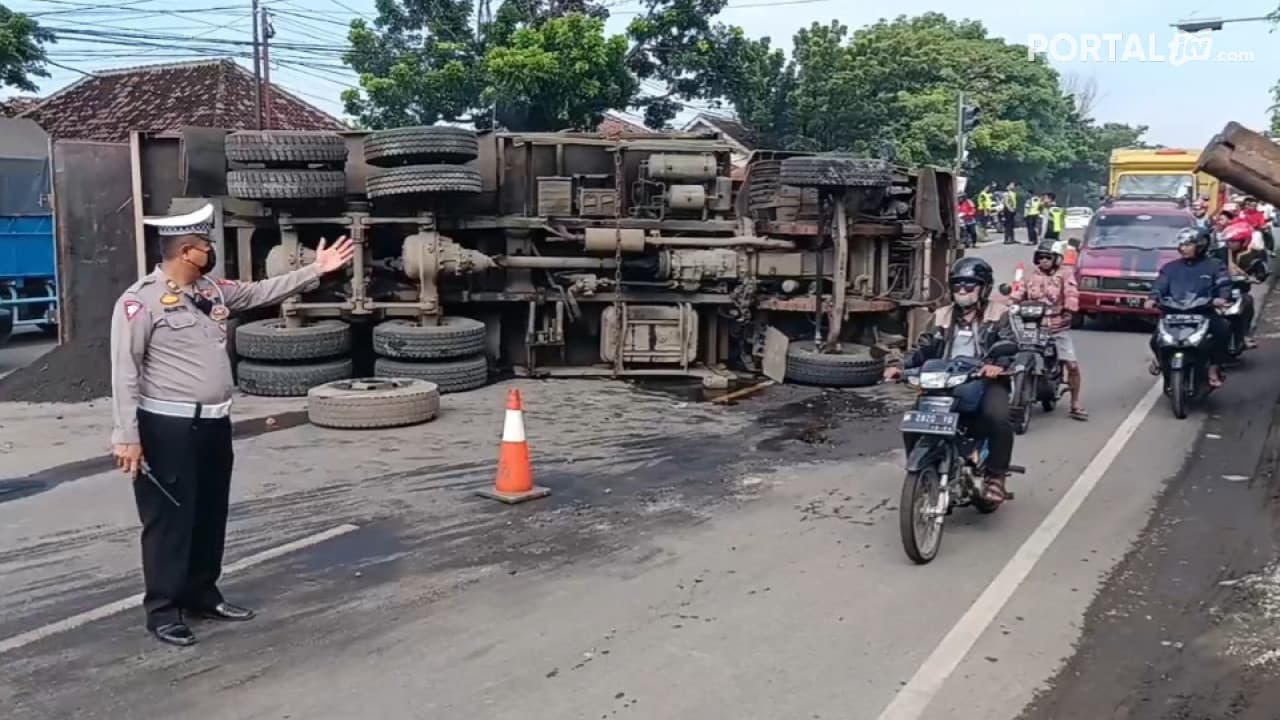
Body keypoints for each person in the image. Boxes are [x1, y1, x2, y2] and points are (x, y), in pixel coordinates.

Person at [110, 203, 356, 647]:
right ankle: (164, 610)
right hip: (167, 427)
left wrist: (314, 270)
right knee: (169, 521)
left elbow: (262, 292)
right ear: (187, 251)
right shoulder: (139, 301)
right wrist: (127, 436)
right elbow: (124, 371)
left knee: (209, 512)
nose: (210, 251)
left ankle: (202, 593)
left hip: (214, 425)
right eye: (205, 245)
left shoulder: (212, 292)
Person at [883, 257, 1018, 504]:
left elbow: (1010, 346)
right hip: (945, 379)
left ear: (984, 287)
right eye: (958, 286)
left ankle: (996, 478)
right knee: (914, 421)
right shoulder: (941, 315)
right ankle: (923, 470)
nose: (963, 291)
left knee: (998, 419)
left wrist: (997, 366)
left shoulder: (999, 314)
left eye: (969, 285)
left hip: (985, 380)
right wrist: (899, 367)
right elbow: (923, 349)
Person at [1008, 241, 1088, 420]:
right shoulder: (1030, 274)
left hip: (1057, 326)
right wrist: (1012, 302)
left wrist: (1069, 308)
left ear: (1056, 259)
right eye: (1040, 257)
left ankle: (1075, 403)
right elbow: (1019, 291)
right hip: (1031, 325)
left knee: (1072, 365)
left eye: (1048, 257)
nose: (1043, 261)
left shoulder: (1065, 274)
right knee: (1008, 356)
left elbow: (1071, 292)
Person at [1148, 226, 1232, 387]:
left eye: (1188, 244)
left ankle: (1213, 368)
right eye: (1181, 244)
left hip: (1203, 312)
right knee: (1155, 339)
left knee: (1223, 331)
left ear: (1201, 245)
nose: (1183, 248)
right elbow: (1160, 285)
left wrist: (1221, 298)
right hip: (1173, 312)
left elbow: (1223, 283)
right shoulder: (1170, 267)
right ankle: (1160, 359)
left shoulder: (1215, 265)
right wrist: (1153, 298)